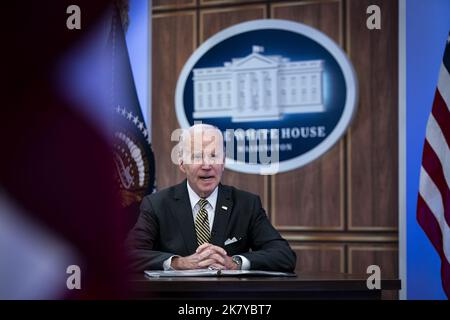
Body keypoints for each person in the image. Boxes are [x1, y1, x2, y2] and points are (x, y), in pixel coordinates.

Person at [126, 124, 296, 272]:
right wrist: (178, 263)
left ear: (223, 163)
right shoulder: (157, 204)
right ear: (182, 164)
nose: (207, 165)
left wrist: (235, 263)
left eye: (213, 156)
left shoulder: (247, 204)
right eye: (197, 157)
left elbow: (284, 255)